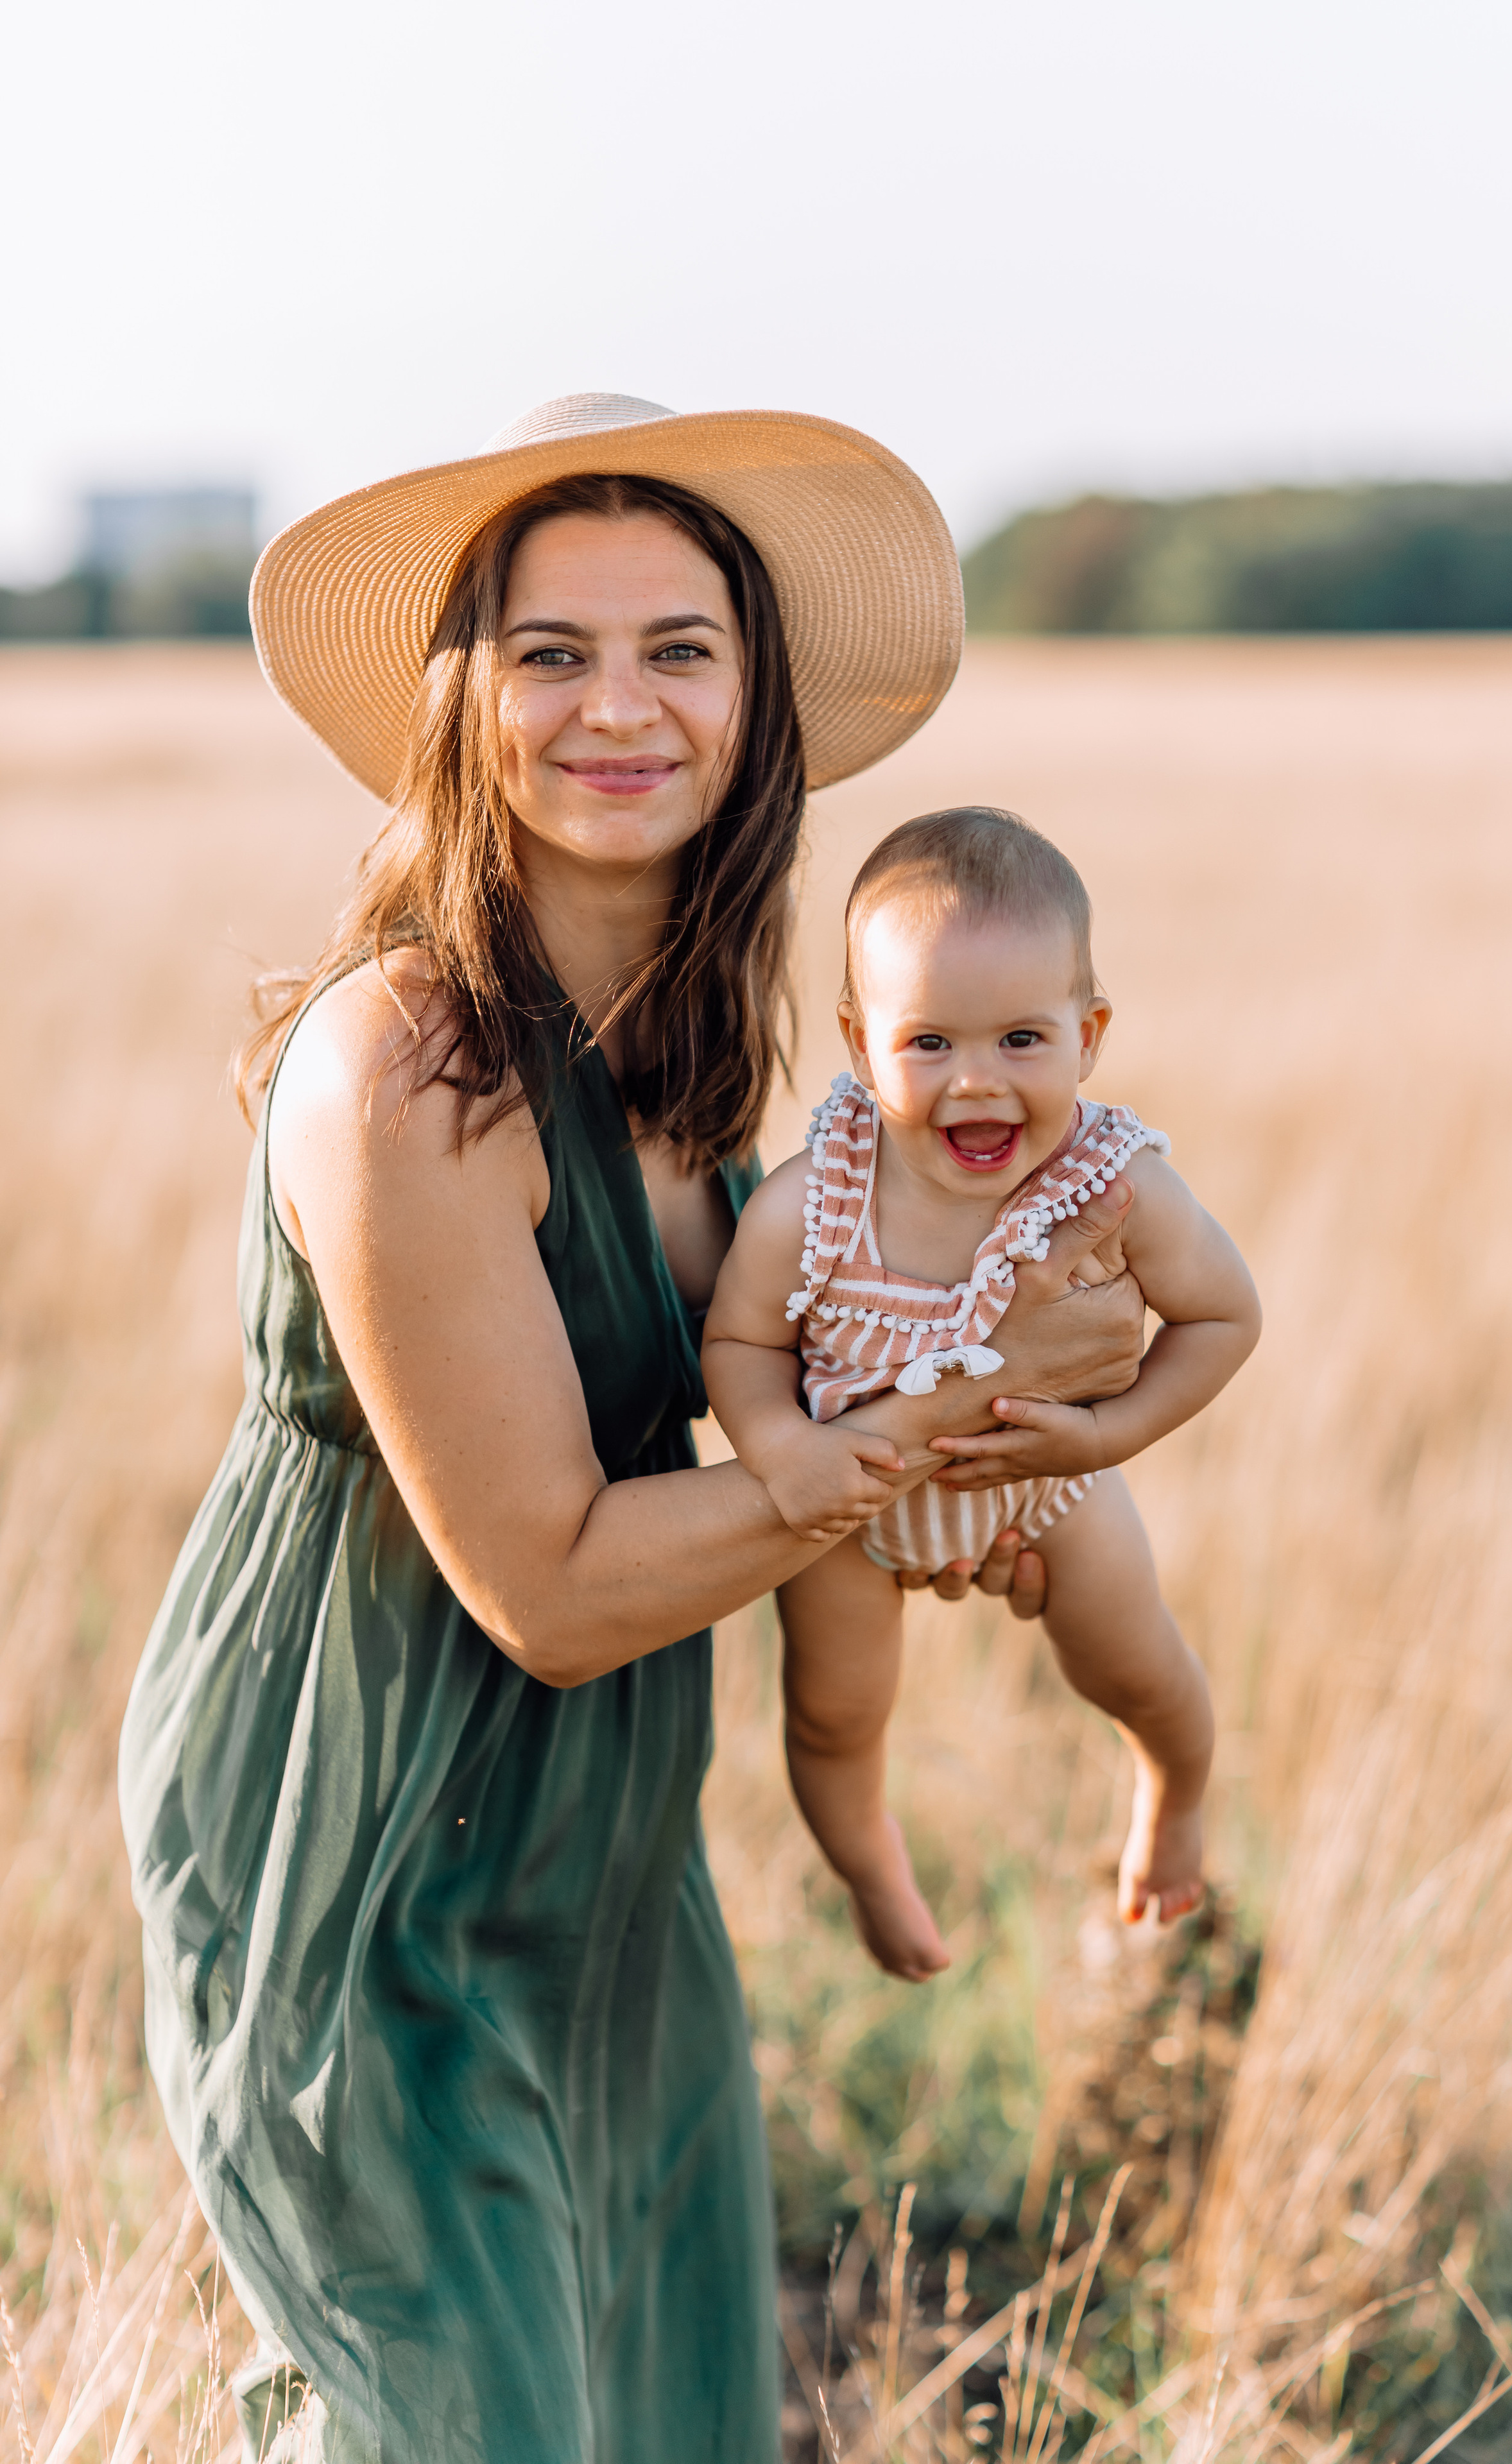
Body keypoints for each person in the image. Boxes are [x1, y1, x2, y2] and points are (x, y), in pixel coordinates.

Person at [116, 395, 1151, 2464]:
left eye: (679, 648)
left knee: (655, 2413)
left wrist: (971, 1501)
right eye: (549, 652)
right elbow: (561, 1589)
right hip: (365, 1848)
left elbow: (800, 1464)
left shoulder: (700, 1070)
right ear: (462, 701)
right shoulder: (403, 1062)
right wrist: (943, 1418)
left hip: (604, 1853)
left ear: (754, 702)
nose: (621, 707)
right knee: (463, 2421)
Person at [703, 807, 1261, 1983]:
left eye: (1021, 1040)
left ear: (1089, 1033)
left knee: (1136, 1665)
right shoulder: (812, 1202)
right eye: (930, 1045)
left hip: (1050, 1483)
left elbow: (1225, 1316)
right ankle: (869, 1867)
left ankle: (1173, 1791)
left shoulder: (1114, 1188)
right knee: (833, 1719)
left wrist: (1103, 1435)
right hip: (846, 1504)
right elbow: (744, 1343)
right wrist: (772, 1444)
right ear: (860, 1044)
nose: (977, 1084)